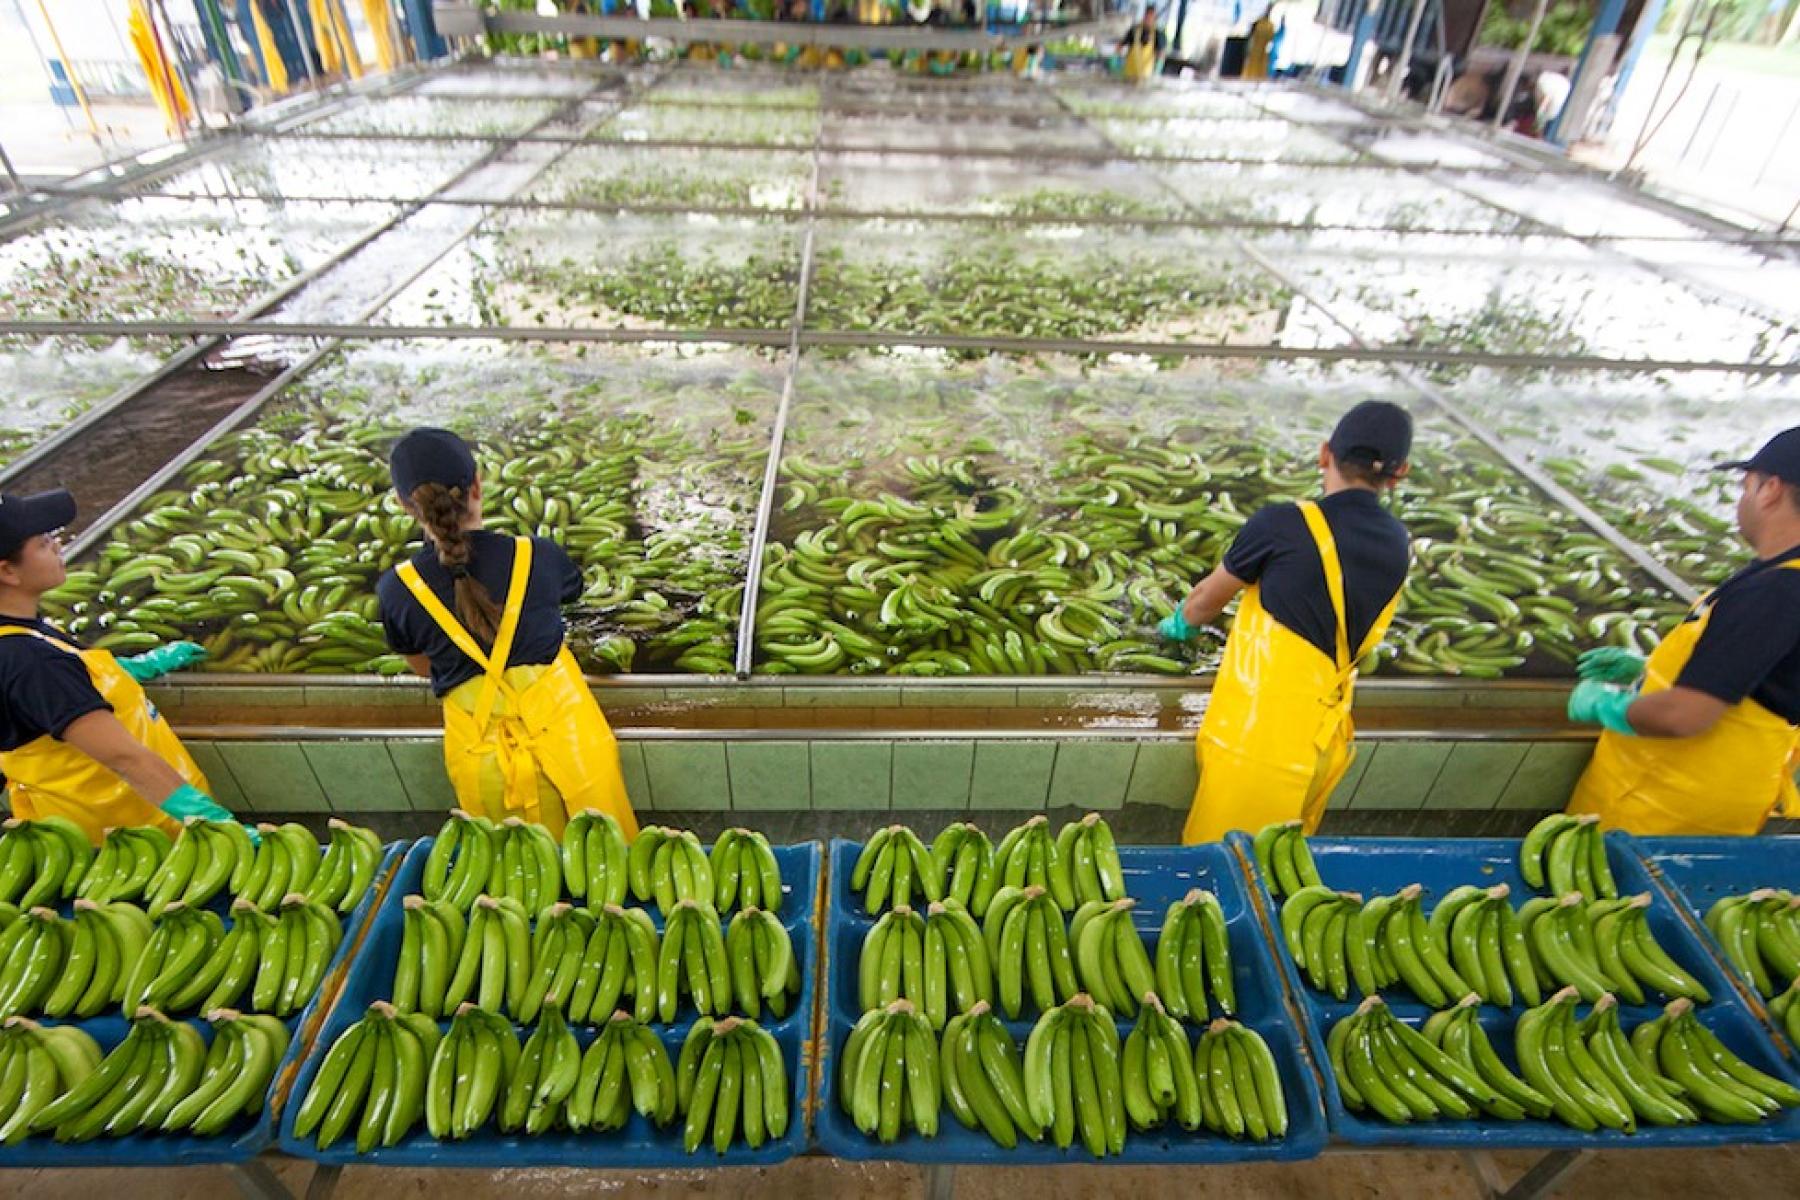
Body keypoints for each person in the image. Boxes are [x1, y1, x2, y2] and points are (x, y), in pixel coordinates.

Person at [1159, 402, 1414, 844]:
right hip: (1324, 740)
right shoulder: (1398, 543)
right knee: (1280, 862)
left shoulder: (1284, 524)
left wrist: (1181, 622)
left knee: (1223, 871)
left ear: (1323, 454)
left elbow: (1206, 600)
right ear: (1400, 473)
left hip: (1259, 740)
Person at [376, 428, 637, 839]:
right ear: (478, 484)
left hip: (486, 770)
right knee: (607, 867)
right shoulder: (537, 556)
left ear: (405, 505)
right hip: (572, 752)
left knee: (522, 881)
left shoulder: (398, 589)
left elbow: (424, 667)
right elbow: (570, 592)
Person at [1565, 427, 1800, 835]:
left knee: (1605, 896)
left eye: (1746, 487)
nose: (1741, 501)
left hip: (1664, 807)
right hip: (1706, 795)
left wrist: (1609, 707)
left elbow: (1684, 716)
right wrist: (1651, 670)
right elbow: (1767, 674)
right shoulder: (1781, 577)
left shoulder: (1778, 590)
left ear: (1771, 490)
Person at [0, 490, 238, 842]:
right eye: (43, 542)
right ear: (7, 571)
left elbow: (56, 696)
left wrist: (132, 668)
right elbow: (126, 760)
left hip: (117, 829)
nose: (58, 546)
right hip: (132, 847)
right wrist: (214, 825)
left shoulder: (21, 632)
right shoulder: (33, 663)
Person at [1120, 7, 1166, 84]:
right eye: (1147, 16)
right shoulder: (1134, 30)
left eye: (1151, 17)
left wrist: (1158, 68)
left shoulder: (1159, 34)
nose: (1148, 19)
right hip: (1129, 73)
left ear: (1155, 19)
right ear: (1144, 16)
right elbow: (1121, 45)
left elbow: (1161, 54)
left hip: (1145, 75)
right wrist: (1117, 60)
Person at [1243, 5, 1274, 79]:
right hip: (1254, 50)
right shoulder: (1257, 23)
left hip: (1263, 52)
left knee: (1260, 70)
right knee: (1251, 68)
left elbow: (1271, 40)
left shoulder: (1271, 25)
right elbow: (1250, 36)